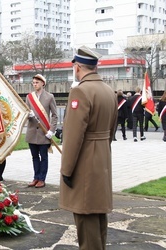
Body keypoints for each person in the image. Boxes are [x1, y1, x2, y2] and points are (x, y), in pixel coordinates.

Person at [59, 46, 118, 250]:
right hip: (102, 156)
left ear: (77, 67)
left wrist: (66, 169)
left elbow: (74, 136)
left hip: (84, 160)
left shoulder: (80, 91)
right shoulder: (108, 90)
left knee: (85, 216)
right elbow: (112, 129)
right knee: (98, 213)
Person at [25, 74, 58, 188]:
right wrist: (28, 115)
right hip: (32, 132)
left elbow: (54, 116)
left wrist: (51, 130)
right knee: (34, 157)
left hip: (44, 133)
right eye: (33, 83)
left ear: (43, 83)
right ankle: (36, 177)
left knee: (43, 157)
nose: (35, 84)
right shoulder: (29, 97)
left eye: (37, 82)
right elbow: (25, 113)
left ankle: (42, 179)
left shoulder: (49, 97)